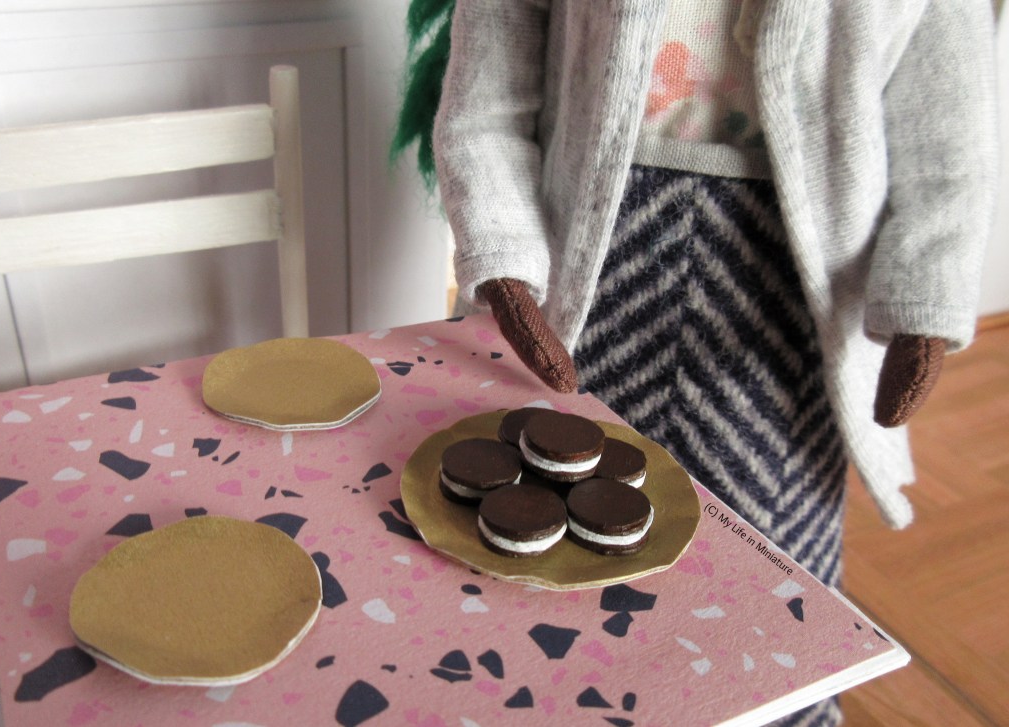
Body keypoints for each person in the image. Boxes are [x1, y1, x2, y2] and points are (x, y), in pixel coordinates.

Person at [396, 3, 998, 723]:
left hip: (789, 296)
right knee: (558, 528)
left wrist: (923, 292)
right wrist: (503, 251)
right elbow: (488, 86)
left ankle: (780, 703)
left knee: (771, 557)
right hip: (586, 270)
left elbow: (947, 130)